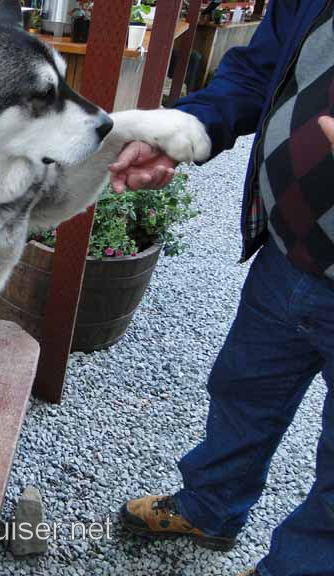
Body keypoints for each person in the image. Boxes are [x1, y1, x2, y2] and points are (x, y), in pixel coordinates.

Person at [111, 1, 334, 575]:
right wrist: (187, 131)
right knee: (243, 390)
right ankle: (210, 507)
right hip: (289, 250)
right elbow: (262, 68)